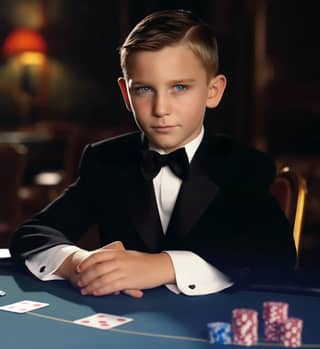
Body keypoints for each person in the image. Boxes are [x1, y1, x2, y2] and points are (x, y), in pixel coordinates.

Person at [10, 9, 296, 298]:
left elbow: (276, 256)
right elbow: (32, 234)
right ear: (126, 95)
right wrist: (78, 263)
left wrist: (163, 266)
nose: (161, 109)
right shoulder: (106, 161)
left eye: (180, 87)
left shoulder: (245, 166)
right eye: (145, 89)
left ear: (213, 91)